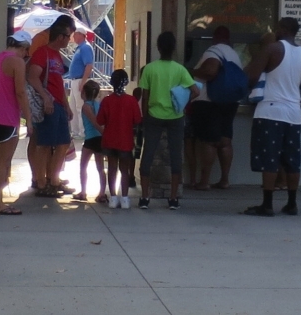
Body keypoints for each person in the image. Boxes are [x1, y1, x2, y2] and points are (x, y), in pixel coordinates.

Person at [241, 16, 301, 217]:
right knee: (292, 160)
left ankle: (267, 204)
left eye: (277, 28)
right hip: (293, 114)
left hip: (270, 111)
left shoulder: (272, 49)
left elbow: (252, 76)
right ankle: (292, 203)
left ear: (282, 29)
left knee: (270, 158)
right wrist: (300, 110)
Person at [135, 30, 196, 209]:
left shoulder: (149, 69)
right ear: (174, 48)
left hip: (154, 115)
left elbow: (145, 97)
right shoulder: (180, 69)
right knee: (176, 156)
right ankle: (173, 198)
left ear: (158, 47)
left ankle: (145, 197)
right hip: (175, 116)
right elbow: (195, 91)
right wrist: (182, 104)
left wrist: (144, 117)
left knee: (148, 154)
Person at [0, 29, 35, 214]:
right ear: (24, 48)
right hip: (6, 118)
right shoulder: (17, 62)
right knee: (2, 162)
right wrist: (28, 119)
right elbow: (20, 92)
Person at [187, 24, 246, 190]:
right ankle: (224, 180)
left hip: (209, 102)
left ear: (215, 38)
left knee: (209, 141)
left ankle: (204, 181)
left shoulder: (214, 51)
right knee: (225, 141)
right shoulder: (234, 55)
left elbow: (210, 72)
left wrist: (192, 71)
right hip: (230, 102)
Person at [27, 14, 75, 196]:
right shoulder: (42, 52)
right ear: (60, 36)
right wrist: (45, 97)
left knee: (63, 143)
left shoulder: (57, 55)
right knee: (44, 144)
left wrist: (66, 105)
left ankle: (54, 180)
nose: (69, 40)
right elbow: (32, 77)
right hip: (48, 106)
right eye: (68, 36)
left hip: (59, 105)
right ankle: (41, 183)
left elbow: (58, 82)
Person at [94, 68, 142, 209]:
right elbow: (137, 120)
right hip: (125, 140)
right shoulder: (131, 101)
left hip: (109, 140)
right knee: (124, 170)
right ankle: (125, 198)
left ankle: (113, 198)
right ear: (126, 82)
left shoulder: (107, 101)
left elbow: (100, 120)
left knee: (112, 168)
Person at [73, 79, 108, 202]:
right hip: (99, 139)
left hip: (90, 138)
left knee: (83, 166)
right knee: (100, 168)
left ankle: (83, 192)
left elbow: (94, 122)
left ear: (84, 93)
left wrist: (104, 133)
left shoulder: (86, 107)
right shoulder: (98, 104)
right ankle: (102, 193)